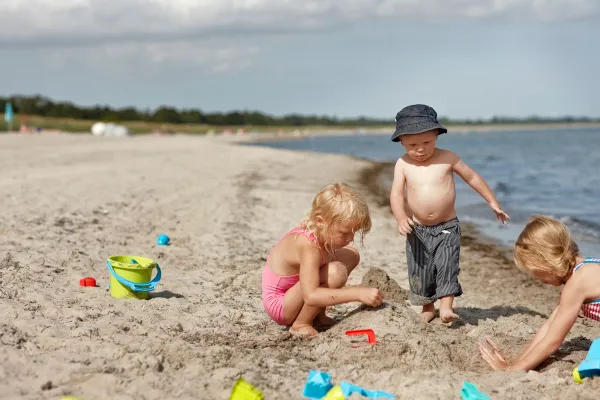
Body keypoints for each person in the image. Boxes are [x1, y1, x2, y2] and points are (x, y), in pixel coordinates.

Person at [389, 104, 510, 323]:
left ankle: (445, 306)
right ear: (402, 142)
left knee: (446, 264)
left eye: (426, 142)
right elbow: (396, 195)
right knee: (420, 269)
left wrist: (492, 202)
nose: (420, 149)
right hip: (417, 229)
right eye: (412, 145)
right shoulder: (403, 164)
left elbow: (472, 177)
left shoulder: (448, 158)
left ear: (436, 135)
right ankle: (427, 307)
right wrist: (400, 217)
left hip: (447, 226)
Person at [479, 215, 600, 371]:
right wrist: (517, 363)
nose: (536, 277)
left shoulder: (577, 283)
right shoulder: (584, 266)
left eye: (535, 271)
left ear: (548, 260)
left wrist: (511, 370)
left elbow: (553, 341)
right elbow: (549, 326)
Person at [261, 182, 384, 336]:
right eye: (344, 233)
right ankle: (300, 324)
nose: (351, 238)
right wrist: (358, 293)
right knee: (336, 272)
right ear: (320, 221)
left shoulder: (319, 231)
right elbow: (311, 295)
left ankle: (318, 316)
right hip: (281, 305)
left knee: (351, 255)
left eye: (354, 233)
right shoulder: (308, 245)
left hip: (296, 291)